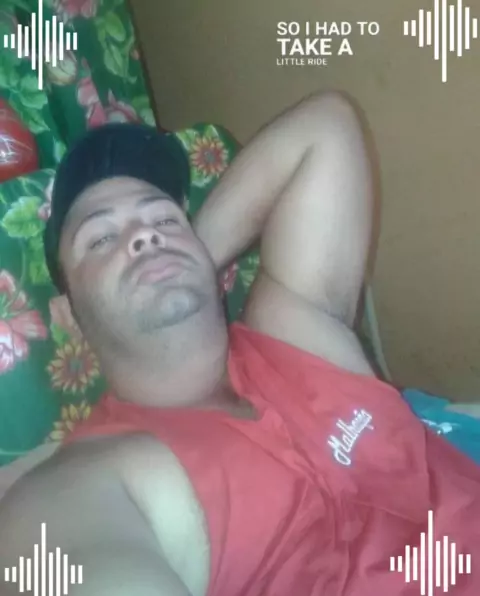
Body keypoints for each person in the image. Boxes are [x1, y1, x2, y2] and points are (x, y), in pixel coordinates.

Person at [0, 90, 479, 596]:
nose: (145, 235)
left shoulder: (289, 332)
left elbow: (327, 125)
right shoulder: (90, 484)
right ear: (69, 318)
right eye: (100, 239)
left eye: (165, 219)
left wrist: (181, 264)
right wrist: (162, 264)